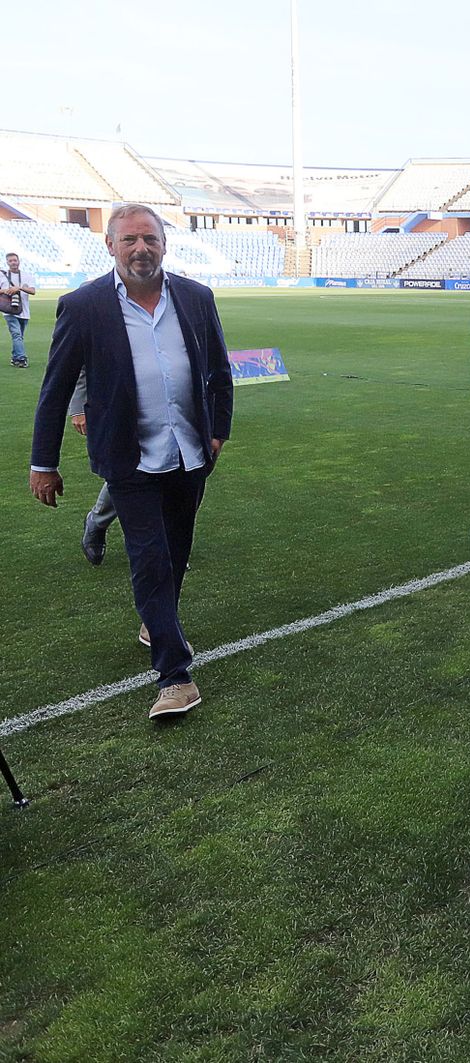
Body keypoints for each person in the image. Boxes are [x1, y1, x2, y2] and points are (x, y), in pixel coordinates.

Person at [29, 204, 231, 719]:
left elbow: (219, 371)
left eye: (150, 239)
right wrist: (43, 463)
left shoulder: (196, 297)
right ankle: (175, 676)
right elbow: (55, 390)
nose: (141, 249)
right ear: (111, 246)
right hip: (127, 458)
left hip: (190, 453)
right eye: (129, 240)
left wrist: (217, 433)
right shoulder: (84, 306)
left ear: (164, 243)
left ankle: (155, 621)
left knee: (176, 552)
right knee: (149, 557)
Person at [70, 369, 120, 566]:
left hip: (180, 404)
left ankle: (172, 543)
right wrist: (78, 407)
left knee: (181, 471)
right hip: (121, 401)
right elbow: (80, 361)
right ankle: (97, 521)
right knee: (129, 471)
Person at [3, 251, 37, 368]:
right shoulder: (2, 276)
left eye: (15, 260)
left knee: (18, 337)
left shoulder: (27, 276)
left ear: (19, 261)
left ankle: (15, 358)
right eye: (10, 261)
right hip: (9, 310)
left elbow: (33, 291)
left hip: (24, 311)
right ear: (7, 262)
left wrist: (19, 288)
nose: (13, 263)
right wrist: (6, 290)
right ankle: (22, 358)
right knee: (17, 334)